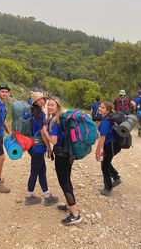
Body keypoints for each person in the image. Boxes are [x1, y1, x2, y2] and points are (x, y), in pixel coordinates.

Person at [42, 96, 82, 226]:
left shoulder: (55, 120)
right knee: (67, 180)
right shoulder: (62, 118)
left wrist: (45, 132)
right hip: (69, 153)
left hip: (62, 155)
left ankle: (75, 214)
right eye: (48, 105)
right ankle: (69, 206)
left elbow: (53, 140)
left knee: (64, 183)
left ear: (57, 106)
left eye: (52, 105)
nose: (49, 107)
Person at [25, 92, 59, 206]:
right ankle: (29, 196)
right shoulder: (39, 115)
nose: (42, 101)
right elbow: (43, 133)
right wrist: (49, 148)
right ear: (35, 101)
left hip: (32, 146)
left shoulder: (31, 112)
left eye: (43, 99)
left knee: (41, 171)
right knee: (35, 172)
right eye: (39, 100)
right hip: (38, 148)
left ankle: (47, 195)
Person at [95, 101, 122, 196]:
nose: (99, 109)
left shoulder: (106, 121)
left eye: (102, 108)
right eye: (100, 107)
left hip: (110, 146)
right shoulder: (109, 118)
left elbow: (102, 137)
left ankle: (108, 188)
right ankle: (116, 177)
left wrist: (97, 151)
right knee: (106, 162)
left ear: (107, 110)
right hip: (114, 145)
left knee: (105, 166)